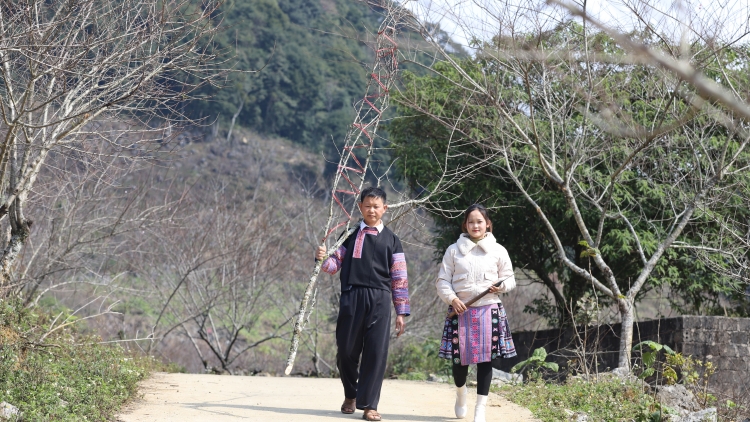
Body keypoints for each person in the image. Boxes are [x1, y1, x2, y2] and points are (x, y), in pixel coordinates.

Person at [316, 186, 410, 422]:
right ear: (360, 207)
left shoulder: (392, 240)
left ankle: (369, 405)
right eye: (367, 205)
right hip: (351, 296)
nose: (371, 210)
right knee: (346, 350)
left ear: (385, 209)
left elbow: (399, 278)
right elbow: (332, 267)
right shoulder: (349, 234)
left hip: (380, 299)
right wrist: (321, 258)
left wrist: (401, 311)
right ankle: (351, 394)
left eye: (376, 206)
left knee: (375, 353)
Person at [436, 204, 517, 422]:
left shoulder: (499, 250)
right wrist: (453, 299)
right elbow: (443, 280)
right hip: (460, 311)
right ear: (465, 225)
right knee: (459, 362)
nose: (475, 225)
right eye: (471, 222)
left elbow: (509, 278)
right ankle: (461, 393)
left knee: (485, 361)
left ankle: (480, 408)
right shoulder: (453, 250)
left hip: (489, 310)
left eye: (480, 221)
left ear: (487, 224)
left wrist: (500, 287)